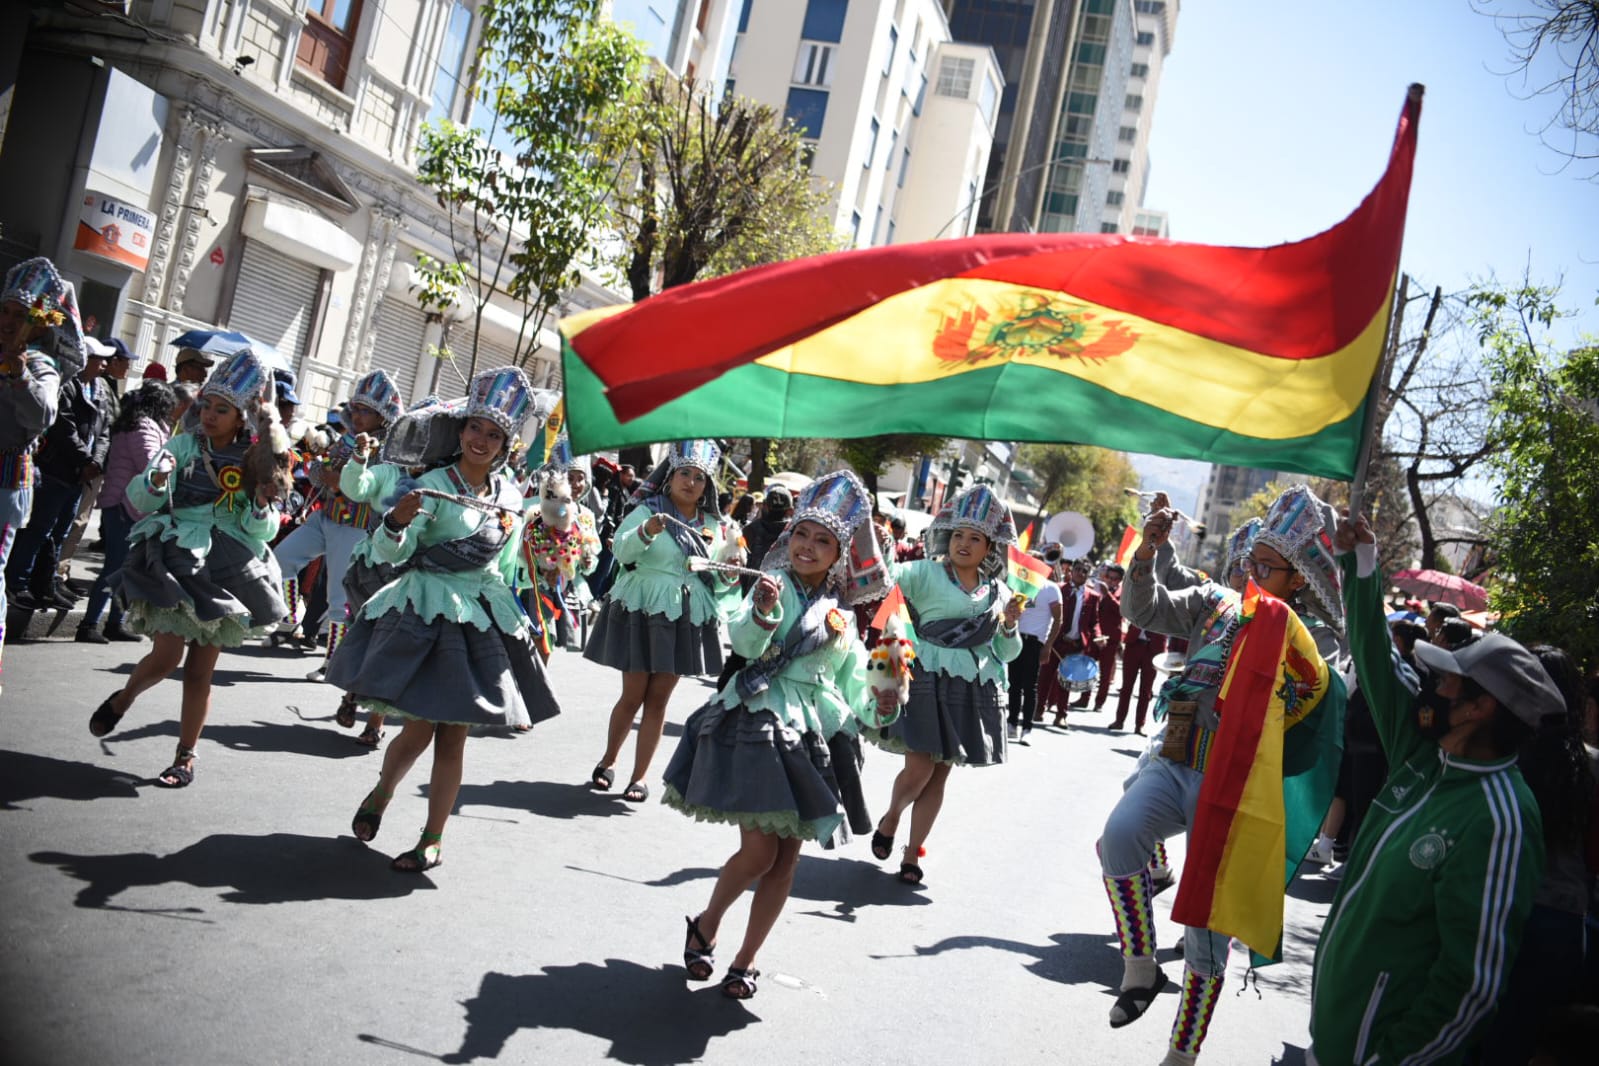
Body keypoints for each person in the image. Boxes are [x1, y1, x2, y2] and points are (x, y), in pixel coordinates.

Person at [1308, 511, 1563, 1066]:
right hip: (1333, 1044)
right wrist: (1363, 565)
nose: (1432, 685)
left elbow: (1471, 985)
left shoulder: (1500, 819)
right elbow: (1376, 659)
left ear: (1478, 708)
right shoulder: (1424, 758)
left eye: (1447, 679)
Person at [1099, 485, 1340, 1065]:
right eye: (1250, 560)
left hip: (1235, 791)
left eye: (1266, 565)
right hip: (1179, 759)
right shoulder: (1215, 603)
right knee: (1119, 838)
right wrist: (1150, 550)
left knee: (1208, 934)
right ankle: (1141, 967)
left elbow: (1314, 701)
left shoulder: (1311, 639)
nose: (1250, 571)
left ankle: (1182, 1054)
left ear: (1299, 577)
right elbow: (1144, 608)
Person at [664, 470, 899, 1000]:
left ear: (840, 554)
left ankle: (745, 961)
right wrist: (766, 612)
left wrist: (881, 702)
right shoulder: (769, 586)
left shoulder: (841, 617)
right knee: (758, 853)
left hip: (815, 736)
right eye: (801, 534)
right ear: (787, 536)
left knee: (786, 859)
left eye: (823, 540)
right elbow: (744, 642)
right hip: (761, 723)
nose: (808, 547)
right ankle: (708, 921)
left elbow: (854, 681)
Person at [332, 367, 561, 872]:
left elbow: (502, 569)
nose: (482, 440)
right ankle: (382, 791)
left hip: (477, 619)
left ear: (505, 444)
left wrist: (528, 605)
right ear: (460, 430)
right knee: (416, 731)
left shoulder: (507, 496)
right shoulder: (431, 484)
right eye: (475, 428)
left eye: (494, 434)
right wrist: (397, 520)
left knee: (453, 736)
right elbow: (396, 550)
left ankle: (432, 838)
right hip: (426, 611)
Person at [86, 349, 290, 787]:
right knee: (165, 656)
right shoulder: (180, 444)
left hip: (227, 566)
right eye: (206, 406)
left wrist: (258, 503)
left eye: (222, 409)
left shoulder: (255, 458)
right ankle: (123, 699)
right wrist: (157, 481)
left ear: (242, 416)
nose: (210, 415)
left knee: (200, 671)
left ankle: (185, 757)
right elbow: (142, 503)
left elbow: (262, 530)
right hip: (177, 554)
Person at [867, 485, 1024, 885]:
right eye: (958, 535)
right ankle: (892, 816)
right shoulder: (924, 572)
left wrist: (1008, 624)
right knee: (919, 766)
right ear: (946, 537)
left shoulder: (1000, 593)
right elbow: (884, 580)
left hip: (970, 689)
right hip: (925, 680)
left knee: (940, 775)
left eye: (974, 538)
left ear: (989, 546)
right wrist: (883, 544)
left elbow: (1007, 653)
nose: (964, 544)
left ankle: (911, 854)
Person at [583, 440, 742, 802]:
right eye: (685, 473)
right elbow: (621, 550)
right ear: (670, 476)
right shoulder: (647, 510)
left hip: (685, 615)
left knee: (658, 700)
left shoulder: (714, 526)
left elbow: (717, 577)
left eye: (699, 477)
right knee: (633, 694)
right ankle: (608, 761)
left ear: (707, 486)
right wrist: (648, 531)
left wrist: (730, 572)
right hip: (644, 608)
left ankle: (639, 778)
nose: (691, 482)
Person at [1469, 644, 1596, 1065]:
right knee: (1516, 1041)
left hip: (1496, 908)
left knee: (1467, 1031)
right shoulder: (1590, 766)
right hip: (1563, 922)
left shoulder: (1500, 757)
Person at [271, 370, 404, 682]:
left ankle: (333, 664)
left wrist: (339, 480)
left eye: (365, 411)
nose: (357, 416)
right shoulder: (346, 438)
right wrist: (322, 472)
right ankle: (292, 617)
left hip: (354, 526)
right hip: (326, 516)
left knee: (337, 599)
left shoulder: (389, 451)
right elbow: (322, 472)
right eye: (355, 409)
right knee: (283, 558)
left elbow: (379, 490)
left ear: (382, 415)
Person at [0, 258, 75, 689]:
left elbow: (43, 414)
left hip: (6, 482)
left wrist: (18, 373)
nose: (10, 322)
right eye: (5, 312)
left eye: (20, 316)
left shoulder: (41, 366)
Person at [6, 331, 110, 612]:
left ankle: (44, 582)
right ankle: (17, 583)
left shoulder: (100, 389)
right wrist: (85, 460)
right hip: (59, 470)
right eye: (98, 359)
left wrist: (95, 462)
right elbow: (63, 426)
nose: (103, 365)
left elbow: (104, 431)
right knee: (38, 529)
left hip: (81, 475)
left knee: (59, 533)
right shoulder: (66, 384)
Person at [77, 380, 177, 643]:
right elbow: (150, 463)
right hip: (124, 505)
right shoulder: (143, 426)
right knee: (114, 568)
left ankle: (114, 623)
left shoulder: (136, 423)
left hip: (124, 505)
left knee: (125, 569)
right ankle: (88, 625)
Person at [1007, 545, 1063, 742]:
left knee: (1029, 687)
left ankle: (1027, 728)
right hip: (1015, 637)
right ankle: (1012, 722)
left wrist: (1047, 646)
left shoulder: (1051, 589)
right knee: (1013, 684)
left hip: (1034, 642)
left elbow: (1058, 619)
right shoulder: (1018, 585)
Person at [1037, 556, 1100, 726]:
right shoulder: (1059, 589)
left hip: (1074, 644)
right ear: (1071, 571)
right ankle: (1039, 709)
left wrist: (1098, 636)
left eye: (1084, 571)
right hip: (1055, 641)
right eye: (1078, 569)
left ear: (1088, 575)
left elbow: (1094, 622)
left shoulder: (1092, 596)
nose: (1080, 573)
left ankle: (1061, 715)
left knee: (1067, 680)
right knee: (1045, 676)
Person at [1092, 563, 1125, 711]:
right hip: (1094, 634)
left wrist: (1108, 595)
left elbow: (1121, 611)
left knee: (1105, 673)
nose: (1111, 581)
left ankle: (1099, 702)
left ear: (1120, 580)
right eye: (1108, 577)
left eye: (1114, 579)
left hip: (1110, 637)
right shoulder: (1097, 588)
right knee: (1088, 667)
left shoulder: (1124, 592)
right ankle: (1084, 697)